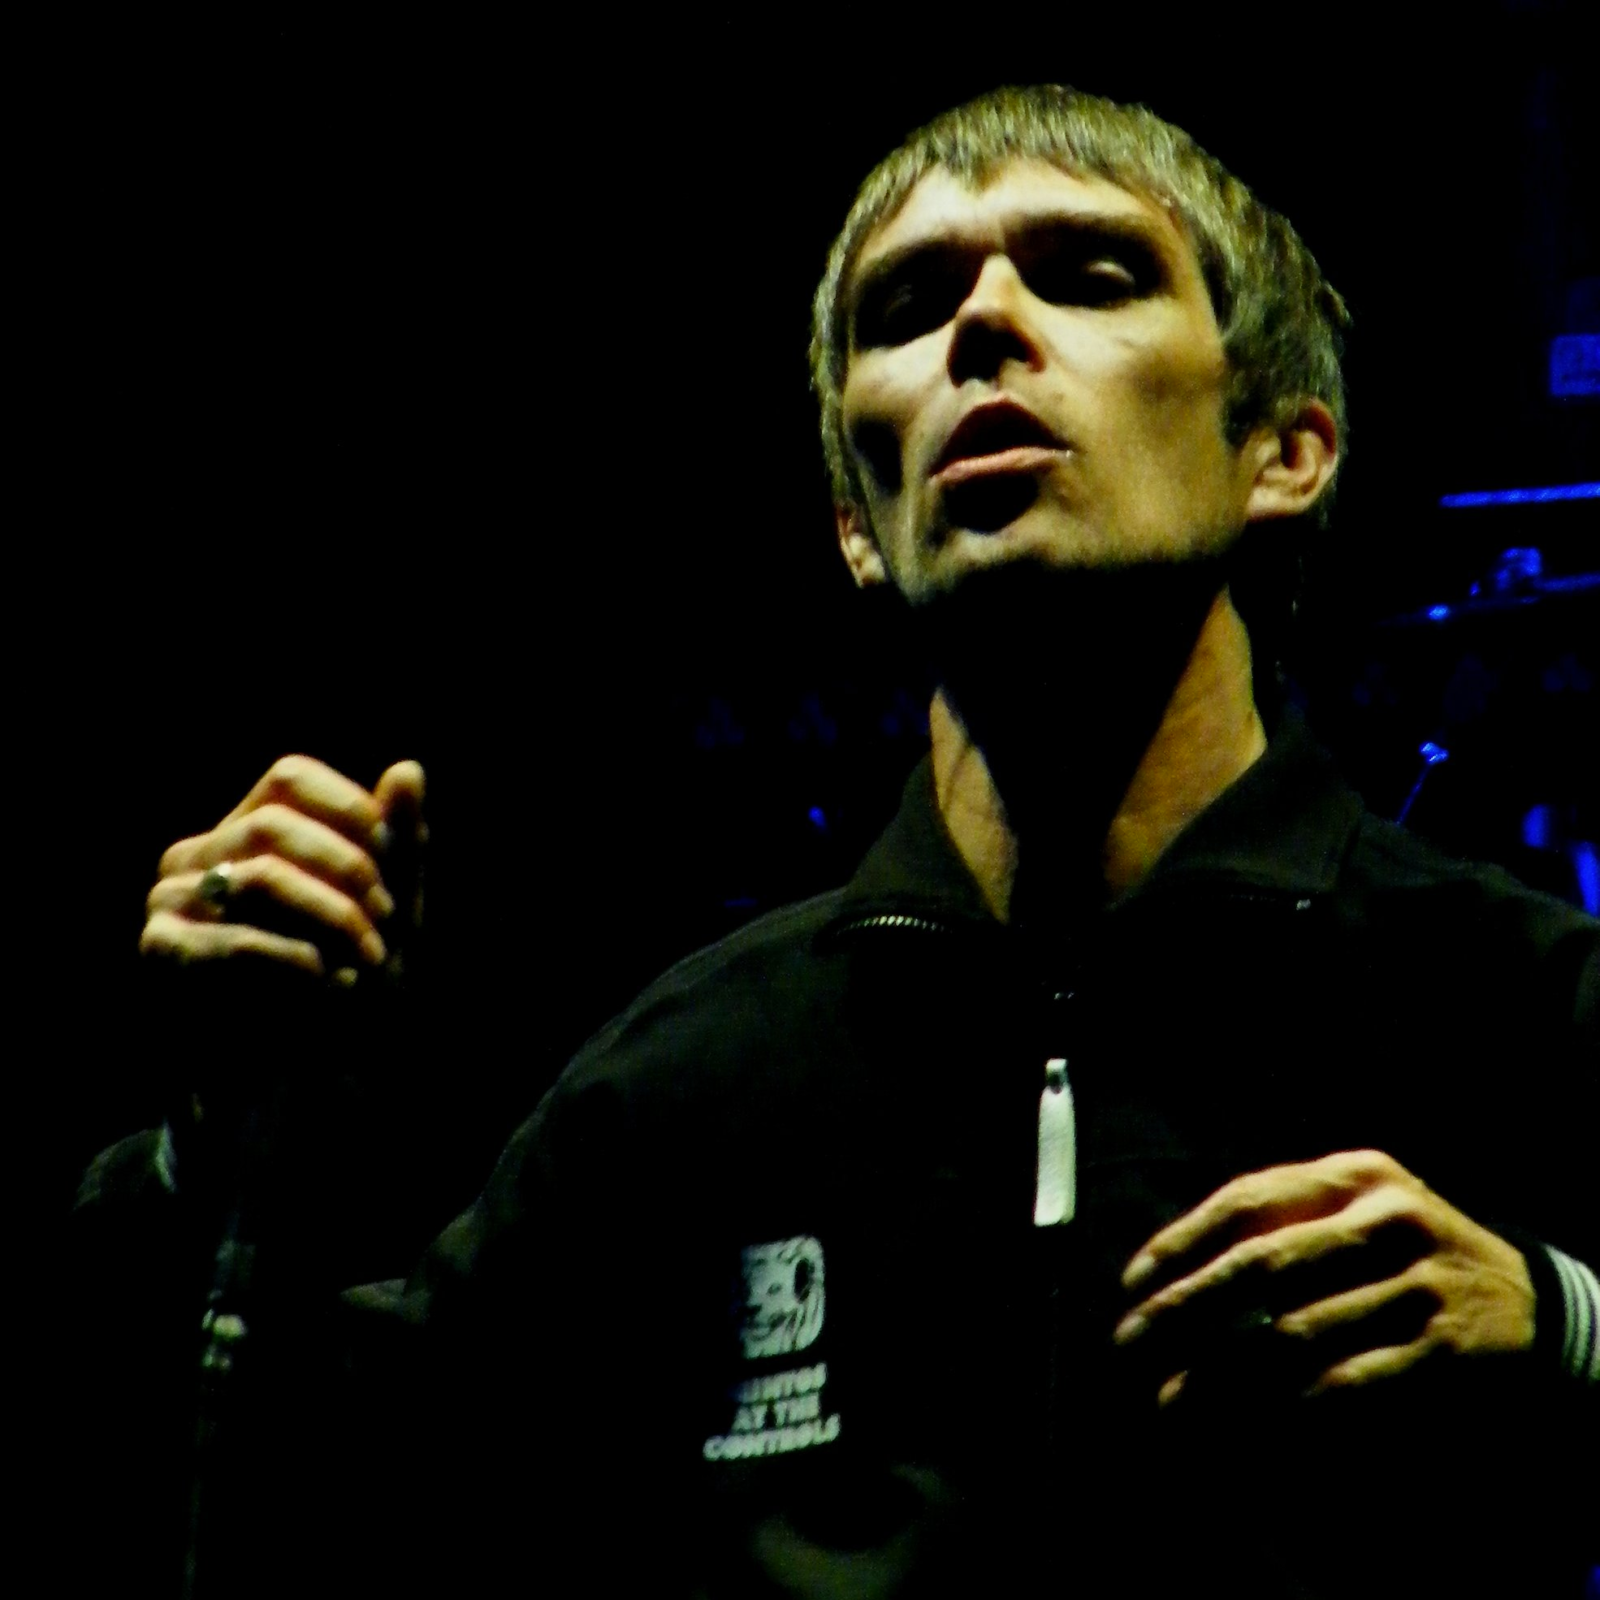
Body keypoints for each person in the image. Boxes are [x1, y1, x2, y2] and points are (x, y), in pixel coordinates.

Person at [75, 85, 1596, 1596]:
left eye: (1087, 276)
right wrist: (214, 1152)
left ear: (1284, 451)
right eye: (910, 308)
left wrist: (1572, 1327)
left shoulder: (1525, 1000)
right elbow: (289, 1507)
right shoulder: (687, 1089)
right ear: (860, 527)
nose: (983, 325)